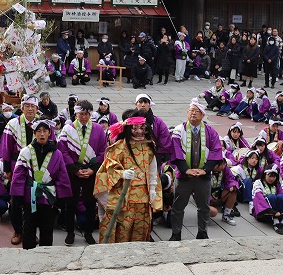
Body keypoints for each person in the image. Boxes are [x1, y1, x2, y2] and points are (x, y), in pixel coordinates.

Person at [94, 111, 162, 243]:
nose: (139, 132)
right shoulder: (119, 147)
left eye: (142, 128)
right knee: (123, 229)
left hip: (144, 195)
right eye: (135, 128)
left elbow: (153, 170)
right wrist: (121, 173)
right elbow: (108, 167)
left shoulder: (150, 146)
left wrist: (153, 188)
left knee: (141, 228)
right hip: (124, 196)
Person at [10, 119, 71, 250]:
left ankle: (46, 255)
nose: (42, 134)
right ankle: (28, 254)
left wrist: (62, 198)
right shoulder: (26, 152)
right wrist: (17, 196)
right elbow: (18, 175)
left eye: (45, 131)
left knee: (47, 228)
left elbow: (62, 176)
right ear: (34, 133)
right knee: (28, 227)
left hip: (48, 197)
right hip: (29, 195)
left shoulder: (57, 153)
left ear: (50, 133)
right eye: (39, 131)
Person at [169, 98, 223, 241]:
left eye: (197, 111)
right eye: (191, 111)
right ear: (187, 113)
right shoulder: (178, 130)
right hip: (184, 175)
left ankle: (202, 232)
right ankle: (176, 233)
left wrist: (206, 169)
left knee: (204, 207)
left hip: (202, 176)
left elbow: (216, 150)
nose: (193, 114)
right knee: (178, 206)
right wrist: (185, 169)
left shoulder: (210, 131)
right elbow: (176, 150)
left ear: (203, 115)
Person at [58, 99, 106, 245]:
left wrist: (92, 169)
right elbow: (63, 150)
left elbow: (103, 151)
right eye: (81, 114)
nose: (84, 117)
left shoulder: (98, 129)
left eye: (86, 114)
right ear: (75, 113)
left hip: (90, 172)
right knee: (70, 203)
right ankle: (70, 232)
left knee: (90, 203)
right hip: (73, 172)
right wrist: (74, 170)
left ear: (90, 114)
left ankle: (89, 232)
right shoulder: (67, 129)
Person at [0, 95, 41, 244]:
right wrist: (7, 169)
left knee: (34, 201)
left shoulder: (41, 124)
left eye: (33, 106)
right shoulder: (12, 124)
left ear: (37, 109)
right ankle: (18, 230)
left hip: (37, 168)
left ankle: (31, 232)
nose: (30, 109)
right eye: (27, 106)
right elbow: (6, 148)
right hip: (18, 167)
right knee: (15, 201)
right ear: (21, 108)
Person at [251, 165, 283, 234]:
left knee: (281, 196)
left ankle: (282, 222)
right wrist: (272, 212)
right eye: (270, 176)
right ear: (264, 175)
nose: (272, 179)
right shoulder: (258, 182)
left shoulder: (276, 184)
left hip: (278, 212)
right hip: (264, 212)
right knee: (271, 197)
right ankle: (276, 222)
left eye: (274, 176)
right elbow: (258, 197)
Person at [208, 160, 238, 226]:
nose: (222, 167)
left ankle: (226, 215)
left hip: (217, 192)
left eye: (224, 164)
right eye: (219, 165)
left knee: (233, 191)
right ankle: (203, 215)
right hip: (205, 195)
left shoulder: (224, 168)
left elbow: (230, 179)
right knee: (214, 212)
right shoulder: (206, 168)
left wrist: (232, 185)